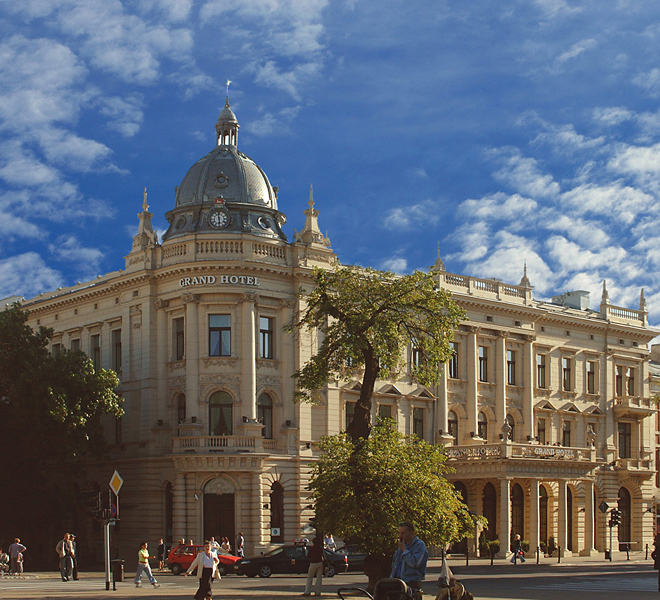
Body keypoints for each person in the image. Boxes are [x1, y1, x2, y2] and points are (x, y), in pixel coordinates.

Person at [390, 522, 428, 596]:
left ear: (411, 532)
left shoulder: (419, 545)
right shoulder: (401, 545)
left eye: (403, 533)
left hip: (411, 581)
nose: (401, 536)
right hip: (397, 580)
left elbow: (414, 563)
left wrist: (404, 550)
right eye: (399, 533)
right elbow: (395, 562)